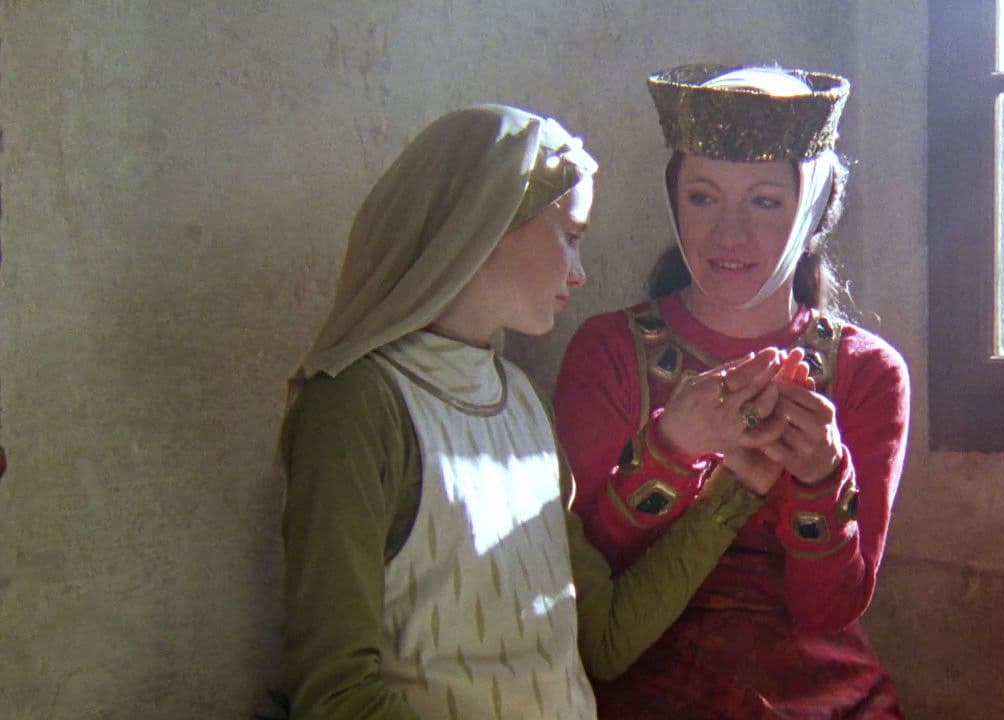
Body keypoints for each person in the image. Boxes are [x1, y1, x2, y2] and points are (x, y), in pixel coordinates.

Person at [278, 104, 772, 719]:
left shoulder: (523, 402)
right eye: (570, 236)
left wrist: (738, 486)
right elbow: (336, 695)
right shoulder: (355, 406)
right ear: (485, 222)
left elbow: (602, 639)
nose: (580, 273)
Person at [554, 64, 911, 719]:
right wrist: (669, 449)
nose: (729, 234)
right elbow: (581, 578)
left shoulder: (866, 372)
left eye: (765, 202)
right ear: (673, 202)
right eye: (703, 197)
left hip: (817, 695)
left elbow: (830, 609)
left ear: (812, 211)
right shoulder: (608, 351)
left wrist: (820, 476)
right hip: (640, 679)